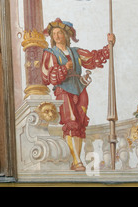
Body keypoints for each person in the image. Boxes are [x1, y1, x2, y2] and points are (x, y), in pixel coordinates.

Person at [41, 18, 115, 171]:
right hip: (63, 89)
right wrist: (64, 68)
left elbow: (93, 59)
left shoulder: (76, 52)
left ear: (66, 35)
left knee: (79, 124)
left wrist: (109, 45)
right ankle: (76, 160)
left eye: (59, 33)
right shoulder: (50, 53)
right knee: (71, 121)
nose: (57, 36)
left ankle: (76, 160)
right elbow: (47, 75)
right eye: (54, 33)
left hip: (80, 88)